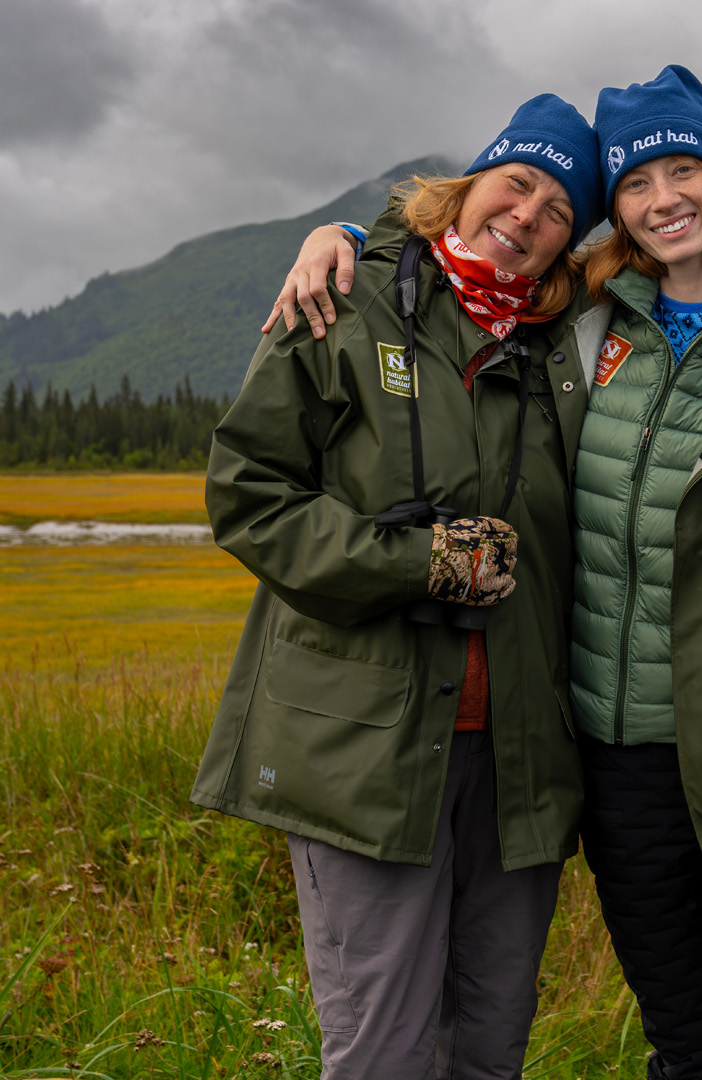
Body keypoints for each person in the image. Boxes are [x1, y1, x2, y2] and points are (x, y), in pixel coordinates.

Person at [274, 66, 702, 1079]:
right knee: (691, 1040)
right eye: (637, 182)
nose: (664, 196)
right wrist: (346, 239)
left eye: (686, 169)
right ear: (619, 214)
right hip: (622, 762)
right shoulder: (576, 332)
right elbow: (463, 250)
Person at [191, 93, 605, 1080]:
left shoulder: (568, 350)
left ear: (567, 248)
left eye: (558, 209)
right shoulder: (344, 303)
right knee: (381, 1053)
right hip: (364, 754)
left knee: (491, 1048)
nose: (530, 213)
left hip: (519, 766)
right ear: (468, 187)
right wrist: (416, 562)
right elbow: (247, 496)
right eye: (519, 182)